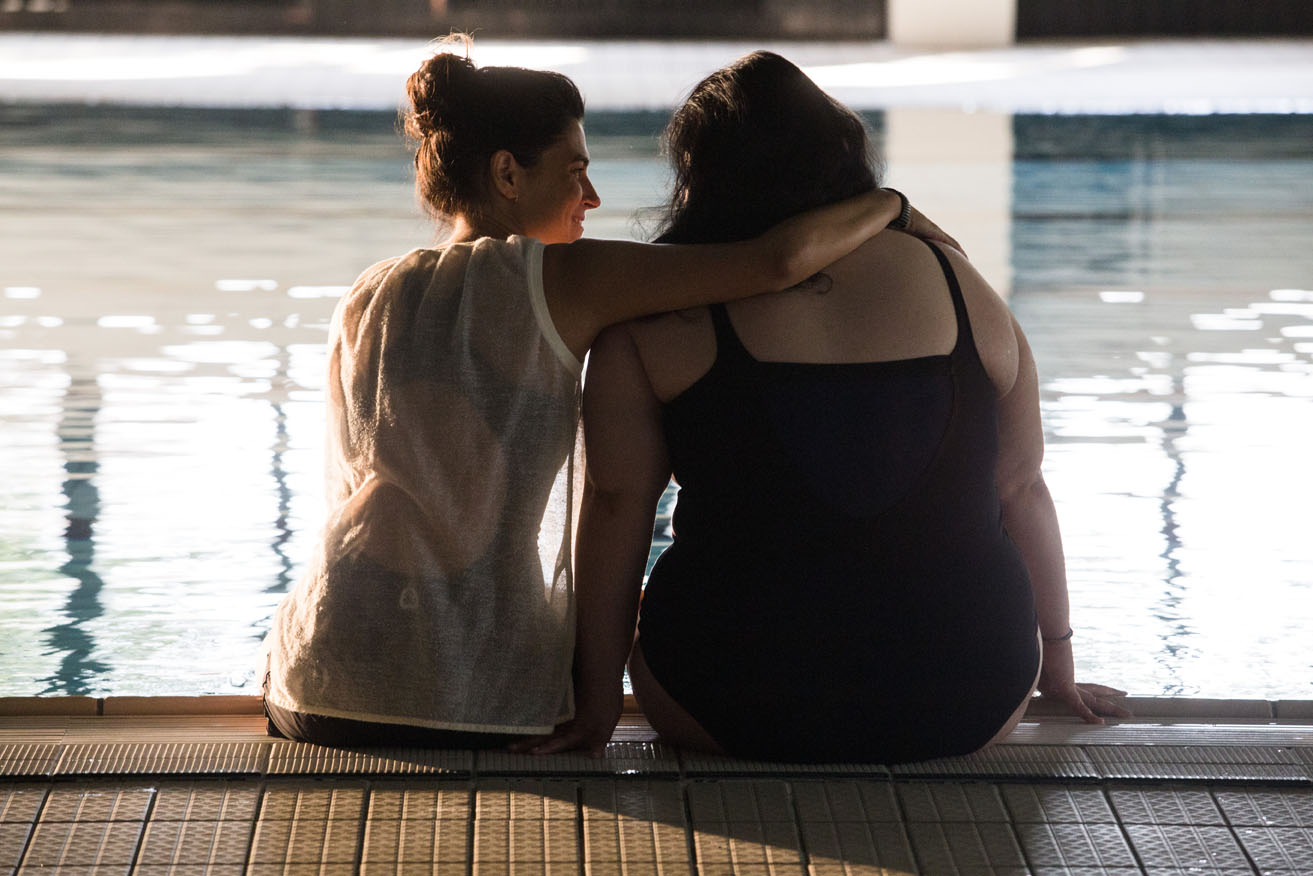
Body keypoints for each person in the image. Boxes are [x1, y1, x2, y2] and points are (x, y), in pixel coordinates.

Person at [260, 41, 949, 747]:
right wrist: (890, 206)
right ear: (507, 173)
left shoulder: (368, 292)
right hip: (470, 694)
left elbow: (348, 487)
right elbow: (777, 263)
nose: (591, 198)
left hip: (317, 677)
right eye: (576, 172)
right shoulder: (564, 277)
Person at [535, 51, 1129, 763]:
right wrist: (1056, 662)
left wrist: (598, 701)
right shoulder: (964, 284)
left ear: (699, 176)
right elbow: (1022, 488)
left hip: (729, 700)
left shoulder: (657, 317)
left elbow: (615, 509)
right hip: (971, 698)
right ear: (845, 158)